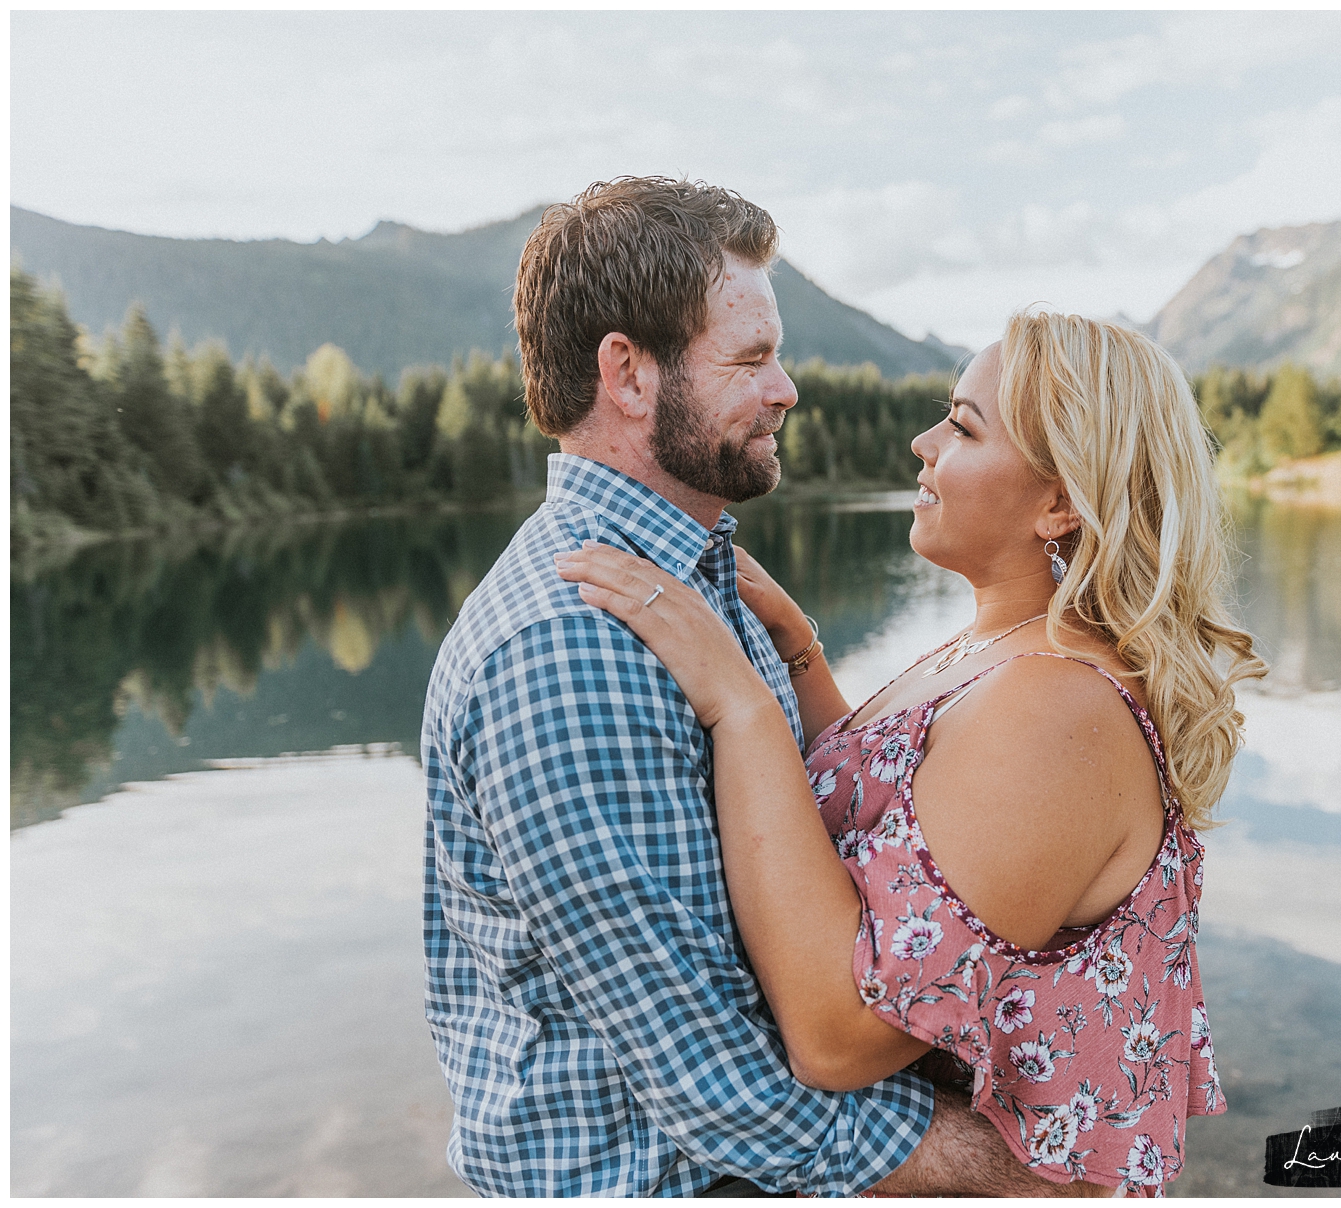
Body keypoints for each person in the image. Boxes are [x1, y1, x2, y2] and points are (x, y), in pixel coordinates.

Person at [420, 177, 1064, 1197]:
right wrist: (1028, 1168)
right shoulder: (572, 649)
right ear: (628, 374)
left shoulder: (694, 590)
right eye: (753, 357)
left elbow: (819, 856)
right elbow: (725, 1090)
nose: (788, 389)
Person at [555, 310, 1268, 1195]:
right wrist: (799, 655)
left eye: (963, 428)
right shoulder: (1004, 650)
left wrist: (737, 703)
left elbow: (839, 1038)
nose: (921, 443)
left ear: (1058, 503)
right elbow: (905, 825)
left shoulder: (1062, 708)